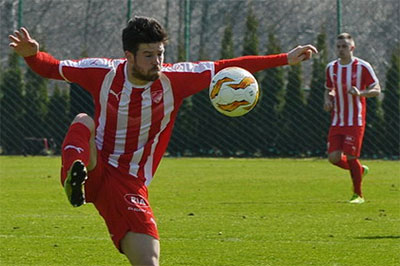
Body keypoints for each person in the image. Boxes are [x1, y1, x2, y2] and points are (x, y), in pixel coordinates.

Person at [9, 16, 317, 265]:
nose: (157, 61)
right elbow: (50, 68)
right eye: (148, 55)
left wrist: (285, 59)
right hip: (95, 162)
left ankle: (77, 177)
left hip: (130, 182)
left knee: (149, 260)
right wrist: (32, 55)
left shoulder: (177, 79)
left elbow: (228, 66)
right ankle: (72, 177)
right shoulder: (101, 72)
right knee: (83, 121)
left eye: (160, 53)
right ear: (129, 56)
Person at [324, 33, 381, 204]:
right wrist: (327, 100)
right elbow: (328, 88)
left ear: (352, 48)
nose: (341, 50)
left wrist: (361, 93)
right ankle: (359, 170)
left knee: (350, 156)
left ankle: (358, 195)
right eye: (338, 46)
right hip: (337, 120)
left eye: (344, 46)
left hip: (355, 120)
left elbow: (376, 89)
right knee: (333, 158)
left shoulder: (362, 67)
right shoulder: (331, 67)